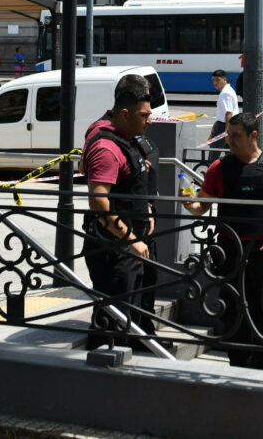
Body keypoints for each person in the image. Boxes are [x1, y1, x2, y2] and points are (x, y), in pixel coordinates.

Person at [182, 111, 263, 370]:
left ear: (253, 135)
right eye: (228, 135)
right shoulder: (219, 167)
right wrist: (191, 206)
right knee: (233, 311)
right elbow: (203, 205)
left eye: (236, 136)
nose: (230, 141)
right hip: (230, 253)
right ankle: (237, 364)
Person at [81, 74, 157, 349]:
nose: (150, 120)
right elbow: (99, 203)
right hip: (114, 248)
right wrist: (131, 239)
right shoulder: (107, 147)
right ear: (124, 114)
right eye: (144, 115)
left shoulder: (126, 137)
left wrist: (146, 210)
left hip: (127, 245)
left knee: (127, 315)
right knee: (111, 321)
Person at [207, 69, 239, 162]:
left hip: (223, 126)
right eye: (213, 80)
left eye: (218, 80)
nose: (215, 83)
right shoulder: (228, 90)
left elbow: (229, 113)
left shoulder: (225, 93)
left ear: (224, 79)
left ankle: (211, 174)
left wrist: (226, 132)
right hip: (228, 125)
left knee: (213, 155)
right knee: (231, 153)